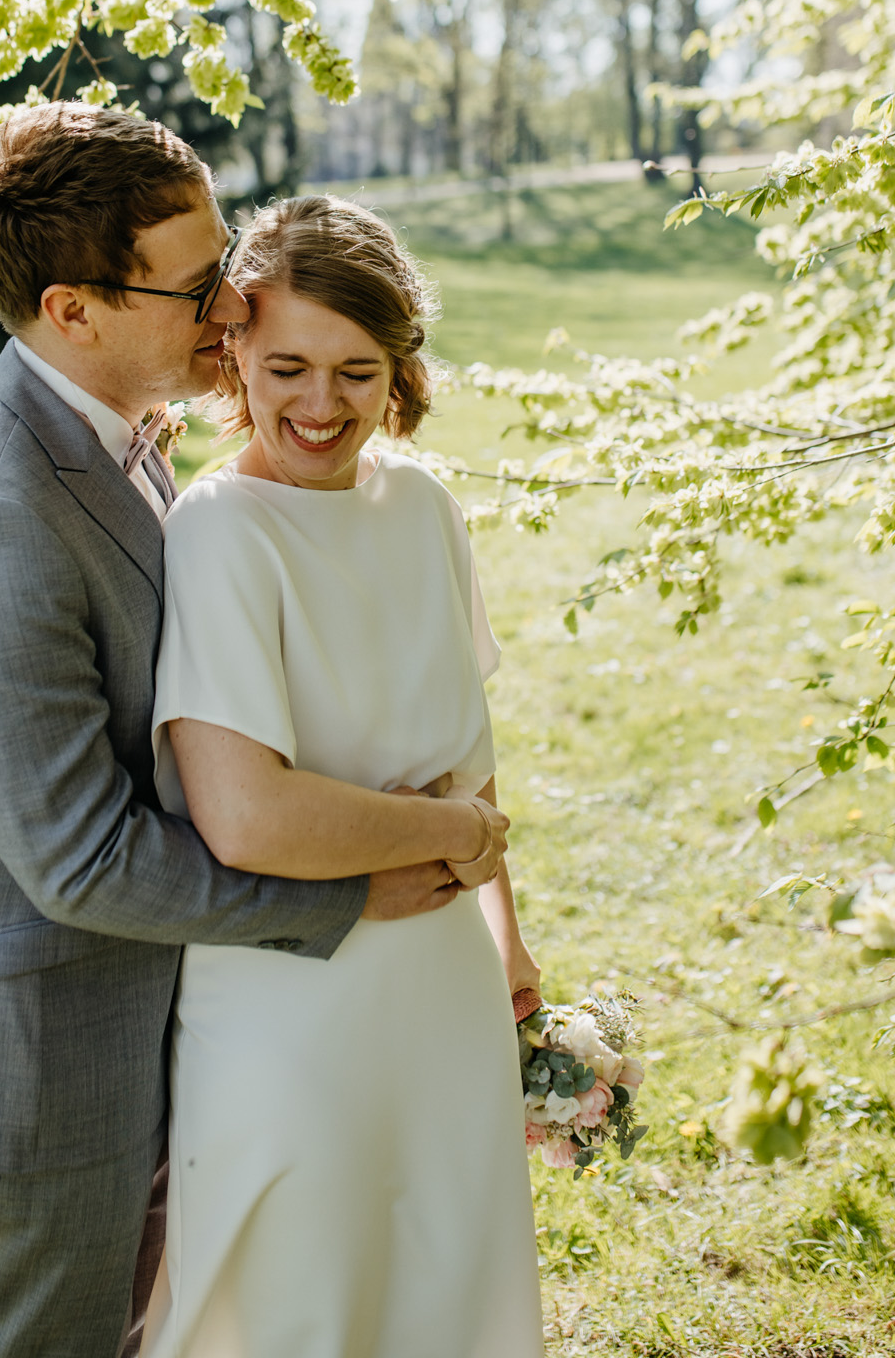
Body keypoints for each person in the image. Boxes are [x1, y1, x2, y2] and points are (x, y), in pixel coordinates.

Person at [0, 106, 504, 1358]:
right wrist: (350, 891)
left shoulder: (116, 432)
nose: (233, 312)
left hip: (159, 1011)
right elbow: (77, 859)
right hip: (37, 1049)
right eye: (198, 288)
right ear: (75, 308)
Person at [144, 195, 545, 1358]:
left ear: (395, 370)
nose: (320, 404)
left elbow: (473, 768)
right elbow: (248, 816)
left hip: (442, 985)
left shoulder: (422, 505)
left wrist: (504, 937)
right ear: (232, 355)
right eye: (286, 366)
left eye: (354, 371)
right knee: (297, 1297)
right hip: (287, 1003)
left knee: (441, 1283)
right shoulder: (221, 531)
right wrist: (449, 828)